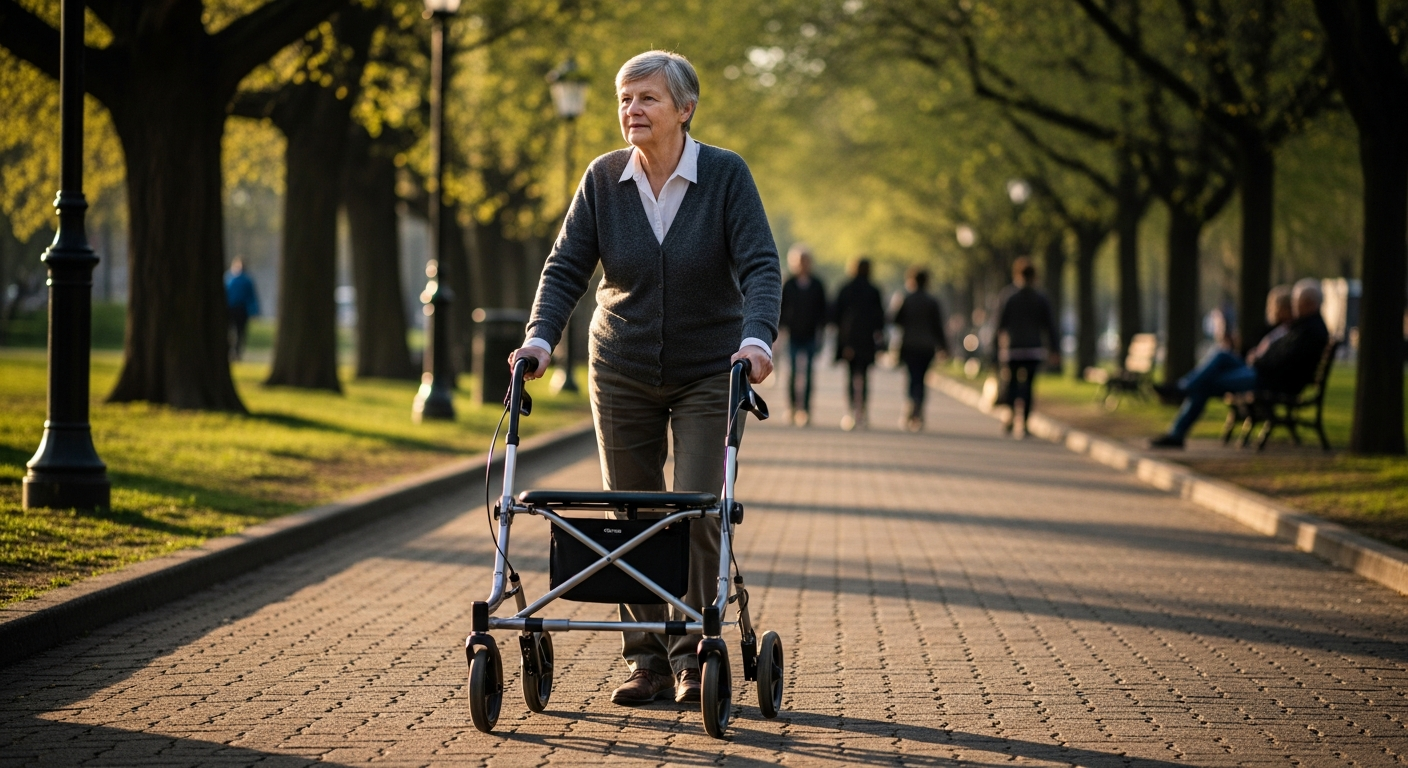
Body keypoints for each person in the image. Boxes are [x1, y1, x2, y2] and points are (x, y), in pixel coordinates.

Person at [508, 51, 781, 707]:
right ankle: (646, 661)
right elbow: (566, 267)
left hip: (709, 368)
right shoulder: (603, 179)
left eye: (647, 98)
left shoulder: (725, 175)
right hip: (621, 366)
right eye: (624, 99)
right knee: (630, 513)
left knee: (695, 508)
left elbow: (760, 266)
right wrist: (540, 339)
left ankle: (693, 657)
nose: (632, 110)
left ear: (685, 109)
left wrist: (756, 340)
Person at [1149, 279, 1329, 449]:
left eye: (1298, 303)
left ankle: (1178, 420)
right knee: (1222, 355)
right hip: (1264, 373)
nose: (1295, 307)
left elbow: (1285, 361)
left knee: (1205, 384)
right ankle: (1183, 388)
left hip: (1270, 380)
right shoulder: (1302, 327)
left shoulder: (1311, 331)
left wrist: (1257, 359)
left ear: (1310, 304)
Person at [994, 257, 1059, 437]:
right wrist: (1055, 349)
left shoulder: (1008, 296)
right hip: (1033, 349)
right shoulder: (1041, 298)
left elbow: (999, 325)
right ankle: (1025, 422)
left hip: (1013, 349)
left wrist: (995, 349)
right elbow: (1050, 325)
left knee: (1012, 384)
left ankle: (1010, 414)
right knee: (1029, 386)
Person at [890, 267, 949, 431]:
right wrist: (943, 347)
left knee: (912, 377)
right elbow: (938, 326)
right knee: (921, 379)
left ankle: (912, 404)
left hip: (909, 345)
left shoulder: (906, 299)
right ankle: (918, 408)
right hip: (927, 346)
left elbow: (895, 320)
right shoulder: (932, 301)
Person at [831, 257, 885, 431]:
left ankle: (851, 411)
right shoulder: (874, 290)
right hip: (866, 340)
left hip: (849, 341)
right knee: (865, 376)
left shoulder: (846, 289)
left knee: (851, 376)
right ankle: (863, 411)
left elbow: (836, 314)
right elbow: (880, 318)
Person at [779, 243, 828, 426]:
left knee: (808, 374)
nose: (802, 264)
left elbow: (823, 311)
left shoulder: (817, 285)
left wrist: (822, 332)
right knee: (792, 373)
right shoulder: (789, 284)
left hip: (810, 334)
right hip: (792, 334)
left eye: (805, 260)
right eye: (799, 261)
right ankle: (792, 408)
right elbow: (781, 308)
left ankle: (805, 410)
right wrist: (779, 332)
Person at [224, 257, 260, 361]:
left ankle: (236, 353)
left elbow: (251, 297)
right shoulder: (228, 278)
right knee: (233, 332)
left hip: (240, 309)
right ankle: (232, 352)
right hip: (231, 308)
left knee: (239, 332)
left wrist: (254, 311)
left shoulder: (242, 280)